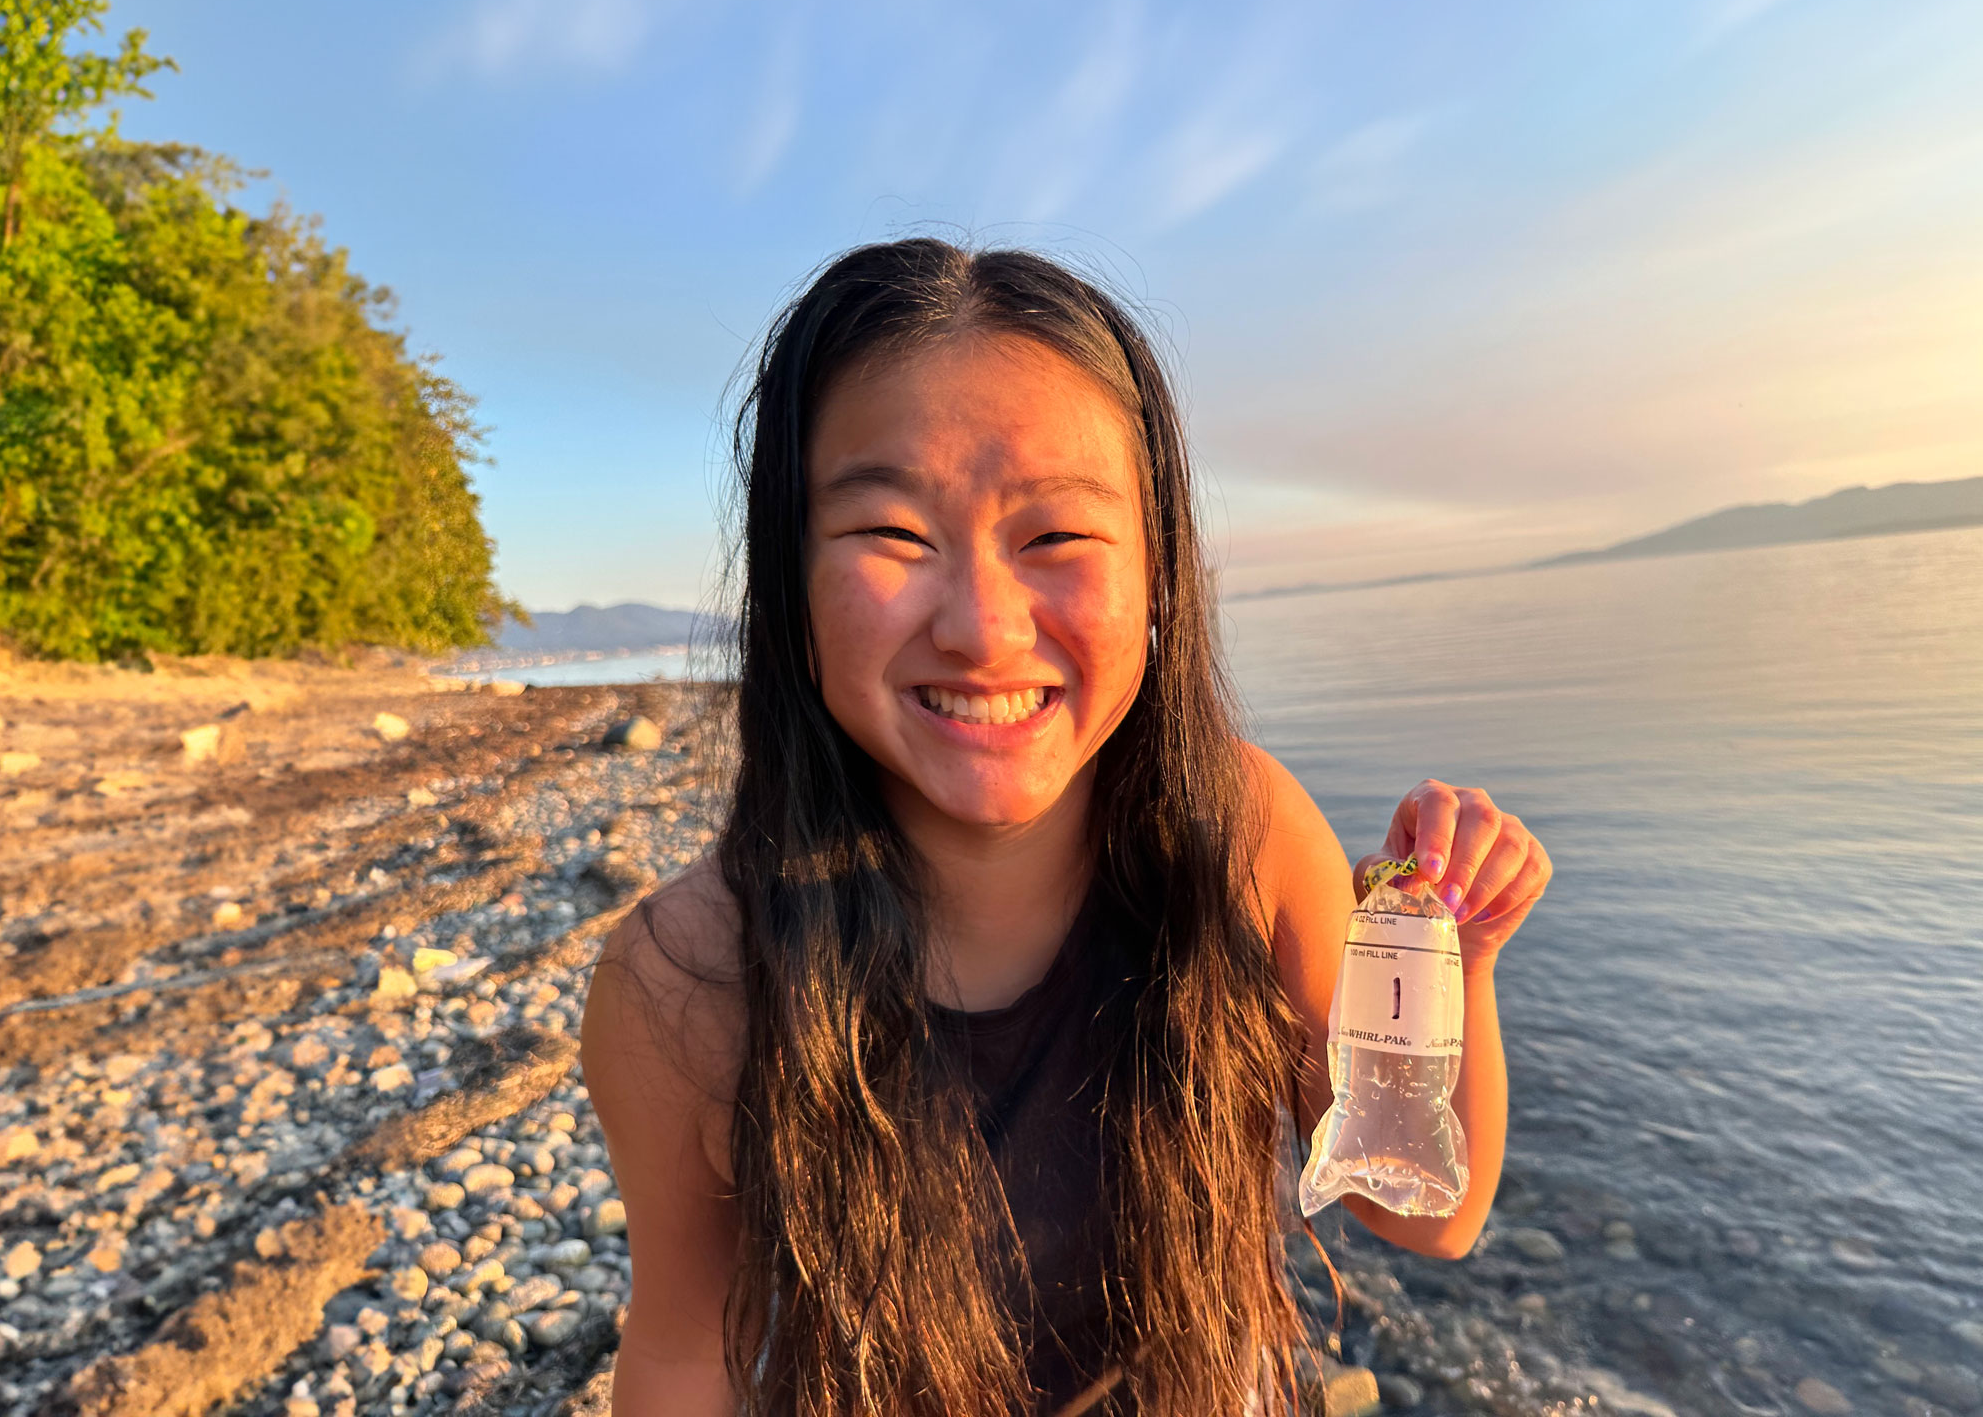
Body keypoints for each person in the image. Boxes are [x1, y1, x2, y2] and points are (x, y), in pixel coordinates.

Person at [580, 239, 1552, 1417]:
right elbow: (687, 1343)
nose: (983, 630)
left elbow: (1425, 1210)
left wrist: (1458, 964)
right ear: (789, 582)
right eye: (891, 532)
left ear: (1158, 574)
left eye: (1055, 538)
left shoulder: (1241, 838)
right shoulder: (684, 978)